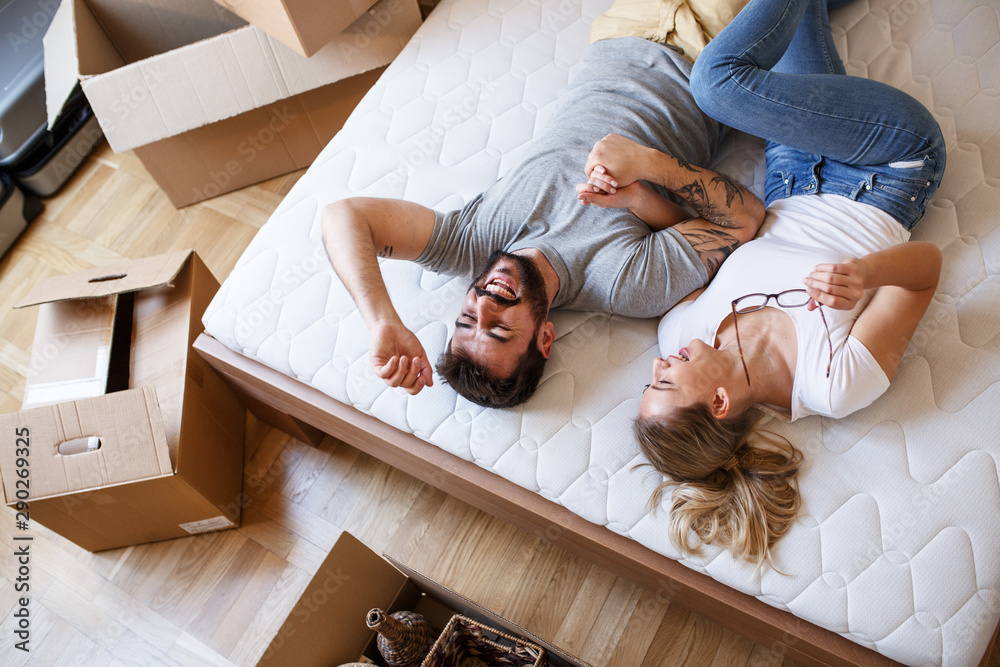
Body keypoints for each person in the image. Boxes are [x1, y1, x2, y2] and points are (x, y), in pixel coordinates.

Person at [576, 0, 945, 565]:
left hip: (792, 168)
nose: (657, 366)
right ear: (720, 402)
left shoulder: (685, 328)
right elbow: (925, 273)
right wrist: (870, 273)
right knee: (718, 84)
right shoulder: (833, 385)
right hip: (887, 169)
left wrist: (633, 197)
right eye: (666, 385)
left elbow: (691, 236)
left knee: (798, 18)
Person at [322, 28, 765, 408]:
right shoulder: (622, 283)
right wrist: (646, 165)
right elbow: (742, 219)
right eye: (498, 329)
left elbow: (343, 216)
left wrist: (382, 321)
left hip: (623, 30)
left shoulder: (469, 243)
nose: (485, 304)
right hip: (707, 56)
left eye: (466, 319)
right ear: (545, 338)